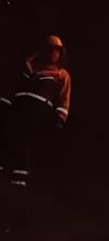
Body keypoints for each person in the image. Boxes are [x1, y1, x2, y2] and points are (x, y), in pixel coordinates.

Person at [0, 35, 72, 181]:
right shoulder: (27, 67)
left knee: (25, 141)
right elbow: (13, 85)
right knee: (7, 135)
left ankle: (20, 177)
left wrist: (60, 118)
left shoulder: (61, 74)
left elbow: (64, 97)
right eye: (50, 49)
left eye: (57, 50)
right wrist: (5, 101)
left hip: (38, 111)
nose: (53, 53)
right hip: (19, 106)